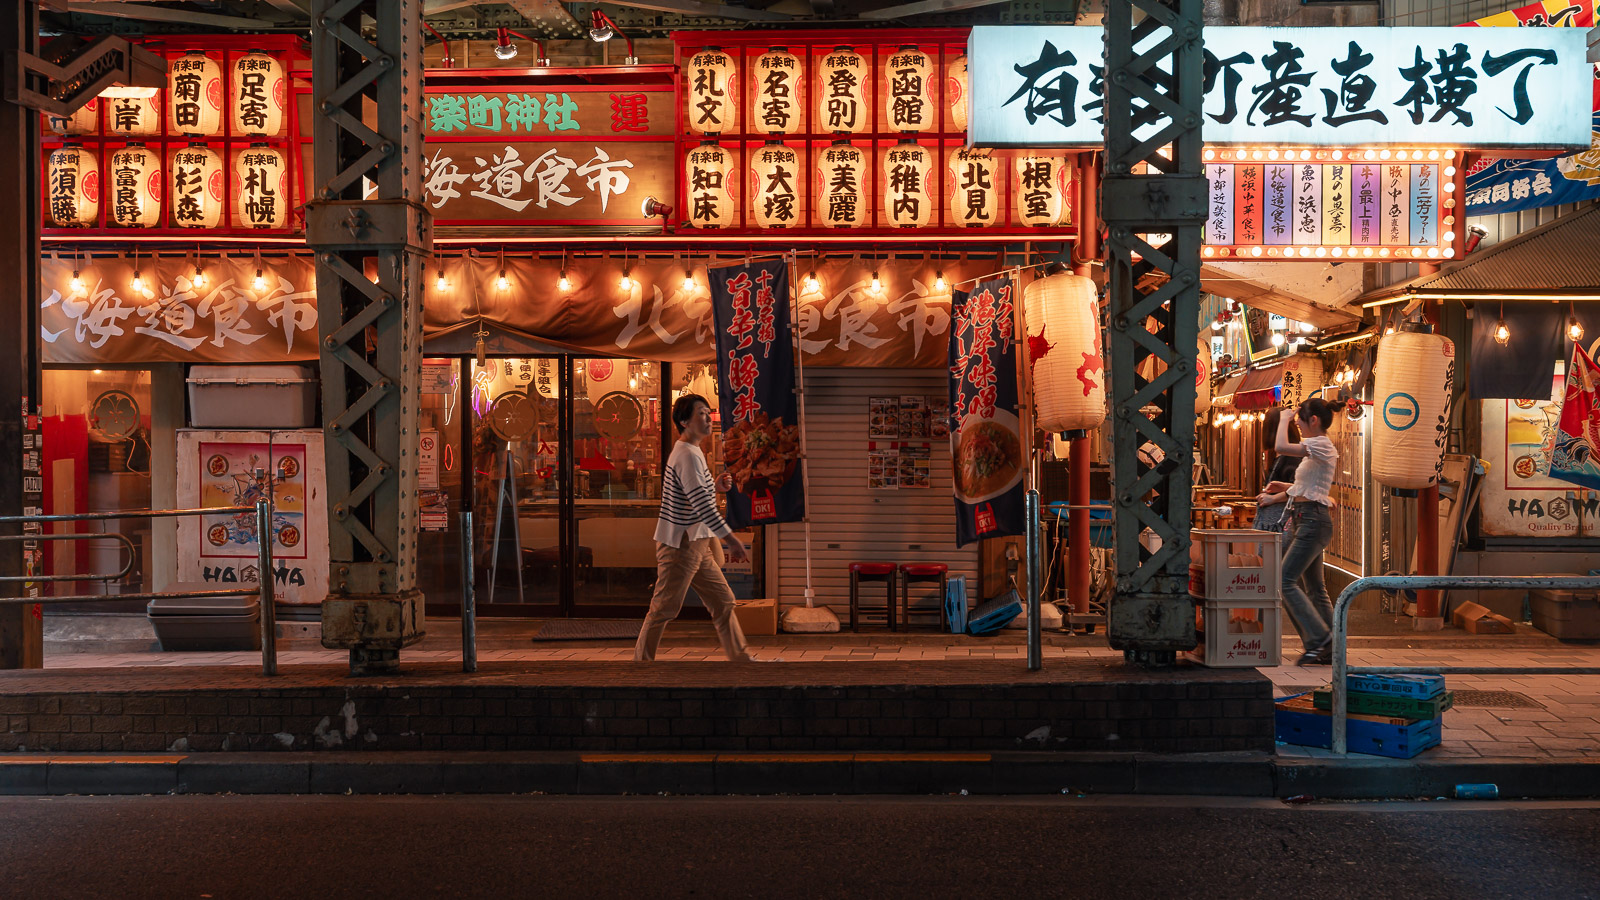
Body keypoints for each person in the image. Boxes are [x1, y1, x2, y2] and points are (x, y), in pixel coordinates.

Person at [634, 393, 754, 663]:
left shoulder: (692, 451)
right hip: (681, 544)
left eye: (708, 413)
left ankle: (741, 660)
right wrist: (732, 539)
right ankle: (641, 665)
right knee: (664, 608)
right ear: (684, 421)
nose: (708, 418)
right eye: (701, 413)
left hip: (697, 541)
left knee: (723, 601)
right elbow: (701, 505)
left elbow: (693, 494)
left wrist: (715, 486)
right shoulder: (687, 454)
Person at [1273, 397, 1339, 666]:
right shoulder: (1317, 447)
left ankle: (1319, 640)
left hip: (1312, 521)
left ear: (1314, 420)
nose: (1297, 424)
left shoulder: (1320, 443)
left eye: (1300, 419)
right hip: (1307, 518)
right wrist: (1280, 490)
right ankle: (1332, 646)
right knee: (1314, 588)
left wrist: (1283, 419)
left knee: (1284, 580)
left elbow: (1280, 447)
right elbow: (1305, 488)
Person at [1253, 409, 1301, 534]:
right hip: (1277, 521)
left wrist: (1273, 498)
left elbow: (1301, 490)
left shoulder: (1291, 457)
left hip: (1282, 522)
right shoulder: (1282, 456)